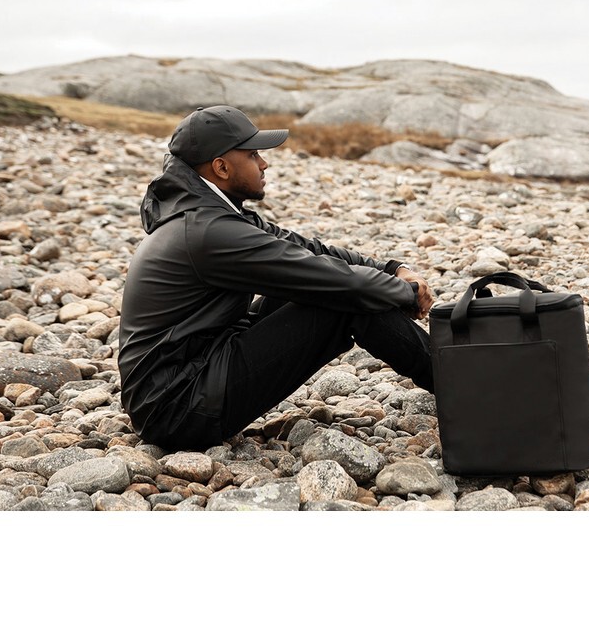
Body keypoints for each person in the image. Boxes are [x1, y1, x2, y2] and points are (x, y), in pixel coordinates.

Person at [117, 104, 435, 451]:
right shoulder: (208, 231)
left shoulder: (214, 213)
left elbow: (308, 251)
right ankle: (461, 384)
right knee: (343, 299)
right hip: (177, 408)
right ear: (221, 167)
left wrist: (392, 269)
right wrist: (406, 292)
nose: (264, 163)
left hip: (191, 376)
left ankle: (456, 376)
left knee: (327, 286)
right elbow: (341, 281)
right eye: (253, 155)